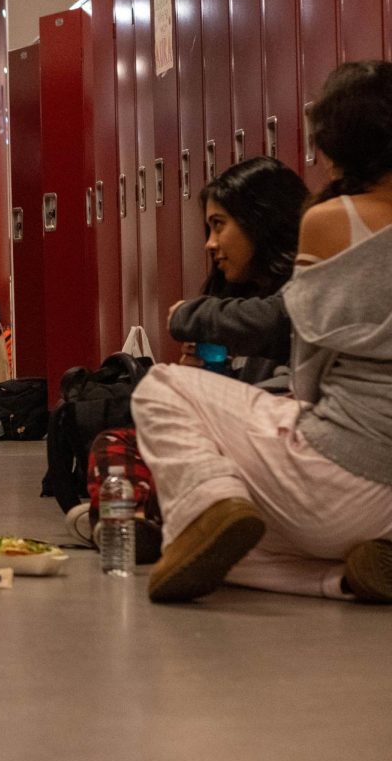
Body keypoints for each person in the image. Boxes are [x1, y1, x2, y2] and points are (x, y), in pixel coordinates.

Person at [134, 60, 392, 604]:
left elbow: (307, 362)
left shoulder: (332, 221)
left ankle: (210, 503)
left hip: (344, 474)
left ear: (335, 144)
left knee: (161, 389)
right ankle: (345, 578)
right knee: (215, 541)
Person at [166, 157, 309, 385]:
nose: (210, 243)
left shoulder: (300, 297)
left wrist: (189, 315)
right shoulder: (241, 295)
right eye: (209, 229)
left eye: (219, 225)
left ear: (260, 222)